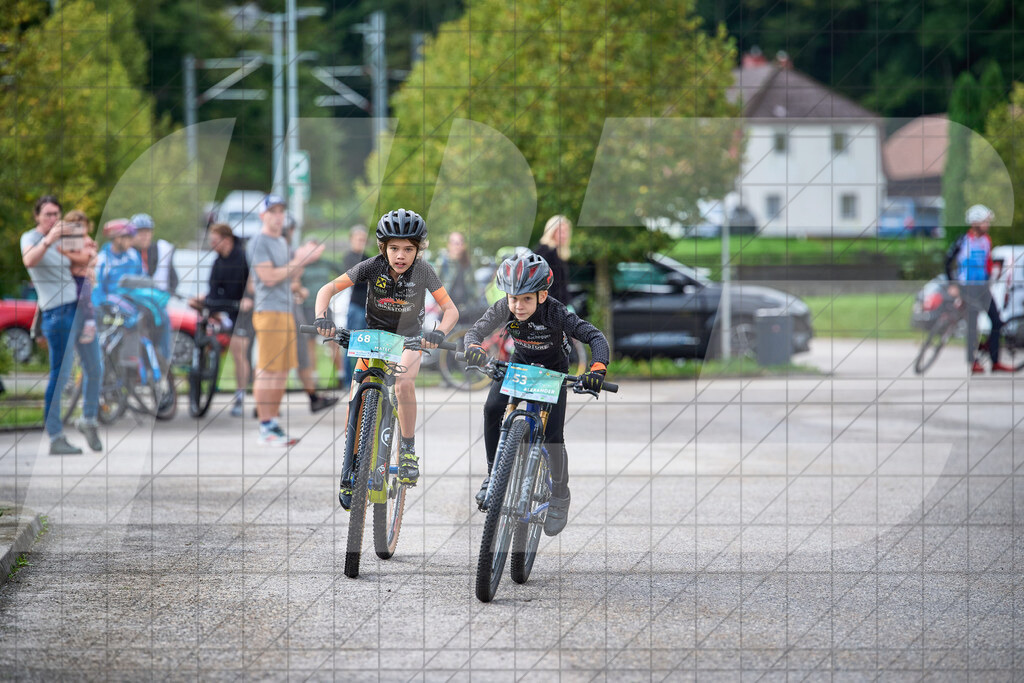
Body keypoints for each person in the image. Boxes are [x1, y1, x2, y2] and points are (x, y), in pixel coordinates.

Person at [313, 208, 459, 507]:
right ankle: (352, 466)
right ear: (383, 248)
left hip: (409, 340)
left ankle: (407, 449)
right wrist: (321, 317)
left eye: (408, 249)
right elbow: (327, 289)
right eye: (394, 248)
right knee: (355, 396)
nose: (401, 255)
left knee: (403, 383)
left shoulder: (424, 271)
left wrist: (439, 334)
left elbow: (451, 310)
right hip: (374, 338)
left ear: (418, 250)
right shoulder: (371, 266)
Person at [464, 251, 610, 536]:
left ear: (542, 295)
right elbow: (475, 332)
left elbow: (596, 337)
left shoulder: (556, 312)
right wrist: (474, 347)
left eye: (526, 299)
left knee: (554, 437)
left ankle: (560, 494)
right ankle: (493, 475)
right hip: (519, 365)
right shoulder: (504, 307)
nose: (518, 306)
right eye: (513, 298)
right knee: (492, 409)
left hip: (555, 370)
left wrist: (597, 369)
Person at [21, 195, 102, 454]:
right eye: (48, 214)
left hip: (80, 309)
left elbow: (86, 259)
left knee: (95, 368)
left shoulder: (66, 238)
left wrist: (90, 255)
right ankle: (56, 436)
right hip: (57, 312)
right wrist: (49, 240)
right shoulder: (31, 238)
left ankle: (88, 419)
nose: (53, 219)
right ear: (37, 216)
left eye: (56, 214)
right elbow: (29, 260)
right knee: (61, 375)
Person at [247, 194, 324, 446]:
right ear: (263, 215)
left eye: (281, 211)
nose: (278, 216)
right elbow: (268, 277)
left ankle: (272, 424)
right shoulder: (259, 241)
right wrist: (300, 259)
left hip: (286, 311)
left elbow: (290, 273)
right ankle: (265, 426)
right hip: (269, 312)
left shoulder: (281, 241)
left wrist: (305, 257)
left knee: (281, 371)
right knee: (267, 370)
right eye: (273, 211)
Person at [190, 223, 253, 417]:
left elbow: (253, 285)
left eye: (215, 241)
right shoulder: (218, 261)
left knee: (238, 352)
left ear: (227, 240)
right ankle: (202, 357)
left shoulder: (243, 257)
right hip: (223, 307)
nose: (212, 244)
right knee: (193, 302)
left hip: (240, 310)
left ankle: (240, 395)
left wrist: (248, 299)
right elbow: (213, 288)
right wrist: (205, 300)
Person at [945, 204, 1013, 374]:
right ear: (975, 222)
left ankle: (995, 361)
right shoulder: (963, 241)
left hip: (983, 287)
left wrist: (993, 274)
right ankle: (973, 362)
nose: (987, 225)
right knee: (972, 326)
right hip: (968, 288)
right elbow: (947, 262)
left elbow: (987, 263)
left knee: (996, 322)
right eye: (984, 221)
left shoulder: (986, 240)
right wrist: (953, 285)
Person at [283, 215, 339, 414]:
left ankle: (315, 396)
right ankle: (265, 406)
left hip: (300, 310)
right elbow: (290, 281)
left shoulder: (291, 253)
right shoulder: (288, 254)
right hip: (297, 309)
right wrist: (299, 288)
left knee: (301, 355)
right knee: (291, 355)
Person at [59, 210, 99, 345]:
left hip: (82, 277)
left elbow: (86, 259)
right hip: (71, 278)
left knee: (85, 298)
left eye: (82, 226)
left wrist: (66, 254)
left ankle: (90, 323)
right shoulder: (69, 241)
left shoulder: (86, 241)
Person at [341, 226, 369, 386]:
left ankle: (362, 379)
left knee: (367, 346)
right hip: (356, 306)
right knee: (351, 345)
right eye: (358, 239)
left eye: (363, 239)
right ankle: (348, 381)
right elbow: (356, 278)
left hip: (369, 309)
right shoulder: (349, 258)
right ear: (351, 239)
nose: (361, 242)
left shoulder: (368, 258)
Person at [130, 213, 179, 295]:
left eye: (147, 231)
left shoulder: (162, 249)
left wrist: (168, 295)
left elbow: (173, 279)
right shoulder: (127, 253)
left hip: (159, 297)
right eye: (140, 232)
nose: (144, 236)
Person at [436, 231, 483, 313]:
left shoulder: (468, 264)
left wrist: (474, 303)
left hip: (466, 309)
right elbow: (434, 286)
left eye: (461, 243)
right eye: (455, 243)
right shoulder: (442, 263)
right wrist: (439, 304)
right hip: (446, 309)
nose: (458, 246)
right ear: (449, 245)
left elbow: (474, 287)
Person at [533, 214, 573, 306]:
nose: (564, 235)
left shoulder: (559, 254)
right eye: (561, 231)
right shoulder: (544, 253)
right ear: (551, 232)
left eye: (566, 231)